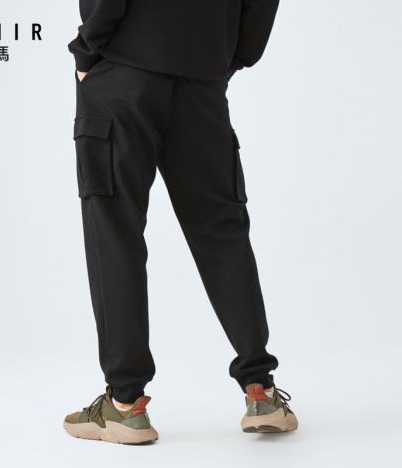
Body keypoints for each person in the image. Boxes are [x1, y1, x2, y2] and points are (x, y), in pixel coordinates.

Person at [63, 0, 298, 444]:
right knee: (222, 229)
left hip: (122, 71)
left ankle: (125, 405)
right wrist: (230, 55)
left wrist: (87, 49)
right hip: (201, 78)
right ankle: (261, 391)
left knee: (115, 233)